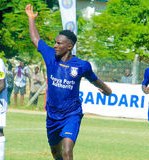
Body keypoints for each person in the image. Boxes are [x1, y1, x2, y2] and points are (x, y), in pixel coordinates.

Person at [26, 4, 112, 160]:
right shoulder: (50, 55)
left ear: (69, 46)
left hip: (71, 114)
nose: (55, 45)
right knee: (56, 153)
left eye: (59, 43)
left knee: (67, 152)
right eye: (55, 42)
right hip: (52, 115)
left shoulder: (81, 65)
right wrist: (31, 19)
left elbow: (94, 80)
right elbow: (35, 39)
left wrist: (107, 90)